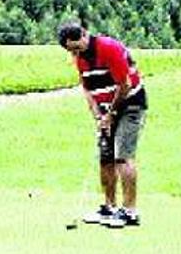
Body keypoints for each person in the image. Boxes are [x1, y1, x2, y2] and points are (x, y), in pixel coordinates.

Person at [58, 23, 147, 227]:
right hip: (107, 110)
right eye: (70, 51)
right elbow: (87, 89)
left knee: (122, 157)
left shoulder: (108, 47)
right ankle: (109, 207)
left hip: (130, 104)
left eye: (76, 48)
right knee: (105, 159)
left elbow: (125, 84)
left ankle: (129, 212)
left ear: (84, 35)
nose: (74, 53)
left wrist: (112, 113)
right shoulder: (80, 59)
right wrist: (98, 116)